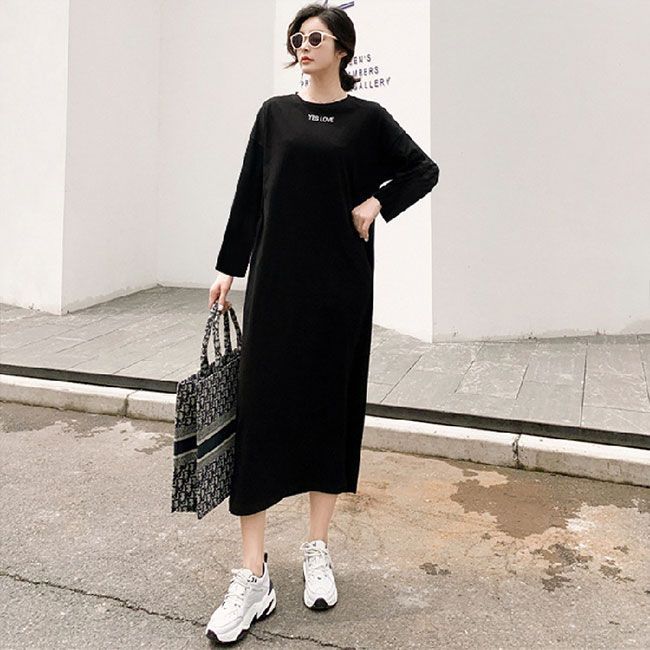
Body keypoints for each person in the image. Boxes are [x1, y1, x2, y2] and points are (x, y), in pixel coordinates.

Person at [204, 3, 439, 644]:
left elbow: (423, 169)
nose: (302, 46)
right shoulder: (274, 114)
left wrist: (378, 200)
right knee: (260, 416)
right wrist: (228, 266)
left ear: (342, 50)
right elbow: (249, 192)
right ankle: (253, 576)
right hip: (276, 289)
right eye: (296, 37)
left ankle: (316, 548)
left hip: (340, 291)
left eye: (314, 37)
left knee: (328, 412)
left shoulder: (367, 119)